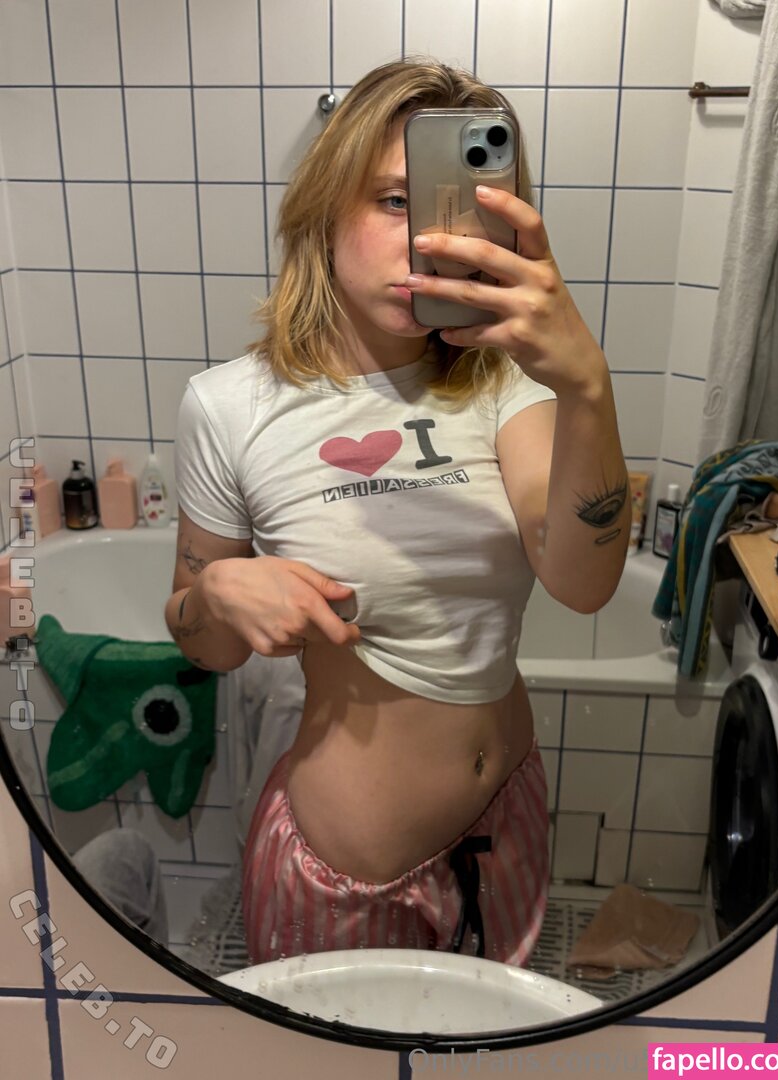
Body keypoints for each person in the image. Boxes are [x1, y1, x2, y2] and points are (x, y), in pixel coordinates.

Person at [165, 57, 630, 968]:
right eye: (391, 201)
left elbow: (583, 584)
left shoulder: (506, 386)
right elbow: (201, 642)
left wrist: (586, 385)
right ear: (324, 207)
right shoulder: (229, 407)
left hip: (504, 828)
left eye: (455, 210)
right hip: (344, 868)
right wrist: (216, 593)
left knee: (491, 1044)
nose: (427, 241)